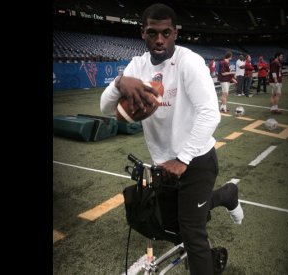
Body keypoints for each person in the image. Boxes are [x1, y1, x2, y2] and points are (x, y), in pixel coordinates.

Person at [99, 4, 242, 274]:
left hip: (197, 159)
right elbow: (105, 108)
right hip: (164, 164)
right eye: (152, 33)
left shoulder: (189, 62)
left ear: (175, 33)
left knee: (191, 232)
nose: (159, 40)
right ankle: (226, 194)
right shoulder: (136, 66)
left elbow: (210, 114)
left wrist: (183, 158)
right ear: (143, 33)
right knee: (171, 223)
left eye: (166, 33)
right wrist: (119, 83)